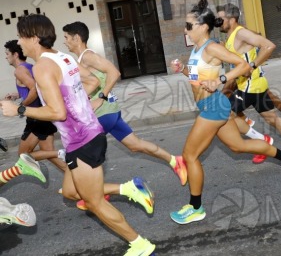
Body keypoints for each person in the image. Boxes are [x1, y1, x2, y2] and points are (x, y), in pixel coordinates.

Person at [0, 14, 156, 255]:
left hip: (82, 140)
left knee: (93, 202)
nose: (19, 43)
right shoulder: (63, 57)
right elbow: (92, 81)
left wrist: (18, 109)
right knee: (71, 193)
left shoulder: (42, 66)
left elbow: (57, 112)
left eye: (21, 37)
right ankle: (129, 189)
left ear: (33, 38)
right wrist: (78, 104)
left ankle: (140, 244)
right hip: (87, 134)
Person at [169, 0, 281, 225]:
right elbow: (197, 77)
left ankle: (195, 207)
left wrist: (221, 79)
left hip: (213, 107)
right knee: (238, 146)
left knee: (190, 156)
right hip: (214, 106)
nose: (186, 30)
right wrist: (183, 70)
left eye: (189, 26)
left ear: (203, 27)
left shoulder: (212, 47)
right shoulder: (199, 49)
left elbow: (243, 65)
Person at [62, 22, 187, 191]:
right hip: (109, 113)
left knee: (82, 153)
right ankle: (175, 160)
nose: (65, 41)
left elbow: (114, 72)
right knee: (135, 144)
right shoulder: (82, 59)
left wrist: (101, 96)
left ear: (77, 38)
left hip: (102, 114)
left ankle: (91, 194)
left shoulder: (87, 57)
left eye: (67, 37)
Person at [217, 3, 281, 165]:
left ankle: (262, 140)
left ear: (231, 19)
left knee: (222, 112)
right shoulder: (233, 35)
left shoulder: (241, 33)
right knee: (272, 118)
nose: (218, 22)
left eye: (220, 19)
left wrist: (252, 65)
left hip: (250, 86)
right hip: (254, 85)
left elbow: (269, 46)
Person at [4, 40, 66, 172]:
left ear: (15, 55)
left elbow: (35, 89)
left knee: (23, 155)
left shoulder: (19, 71)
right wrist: (17, 94)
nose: (5, 56)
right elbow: (35, 87)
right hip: (45, 114)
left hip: (36, 117)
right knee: (47, 152)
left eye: (7, 53)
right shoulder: (29, 66)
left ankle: (61, 153)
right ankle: (75, 178)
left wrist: (20, 106)